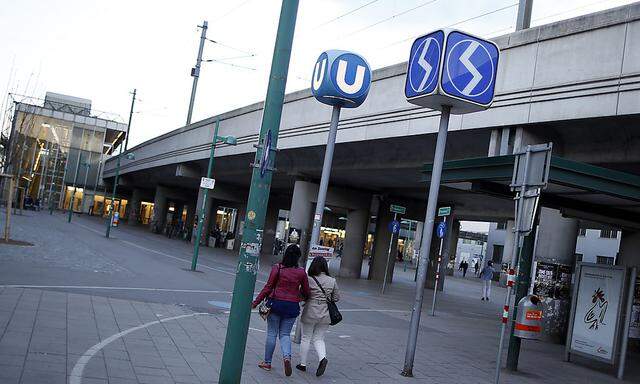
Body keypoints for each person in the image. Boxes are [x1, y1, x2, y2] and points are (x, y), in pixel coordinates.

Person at [252, 245, 310, 376]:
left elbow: (268, 287)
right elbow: (307, 291)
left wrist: (256, 302)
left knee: (272, 333)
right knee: (285, 334)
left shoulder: (277, 268)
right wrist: (298, 296)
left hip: (276, 304)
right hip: (292, 306)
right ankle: (287, 357)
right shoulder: (301, 272)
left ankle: (267, 362)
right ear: (298, 257)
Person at [297, 256, 340, 377]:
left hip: (310, 311)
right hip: (325, 313)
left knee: (306, 337)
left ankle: (303, 364)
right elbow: (336, 298)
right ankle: (322, 358)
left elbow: (302, 293)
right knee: (319, 338)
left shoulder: (309, 279)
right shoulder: (332, 281)